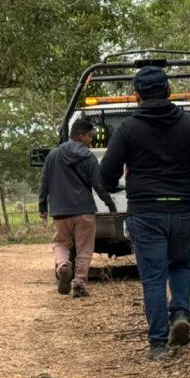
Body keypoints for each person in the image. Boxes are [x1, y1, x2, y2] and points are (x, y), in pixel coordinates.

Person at [100, 66, 190, 361]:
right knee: (180, 265)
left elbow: (106, 174)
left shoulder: (127, 129)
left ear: (137, 95)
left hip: (145, 212)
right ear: (168, 91)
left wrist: (116, 186)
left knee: (153, 277)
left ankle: (158, 344)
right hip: (183, 209)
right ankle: (180, 313)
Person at [38, 118, 116, 298]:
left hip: (60, 211)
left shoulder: (53, 155)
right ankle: (79, 284)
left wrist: (42, 205)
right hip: (84, 210)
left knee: (60, 243)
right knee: (84, 248)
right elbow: (98, 185)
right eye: (89, 136)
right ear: (80, 136)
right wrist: (109, 203)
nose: (91, 140)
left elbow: (44, 183)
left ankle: (63, 265)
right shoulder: (89, 157)